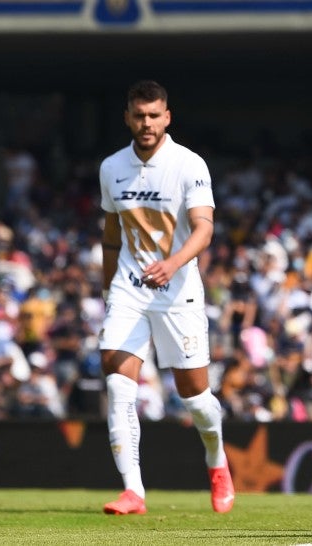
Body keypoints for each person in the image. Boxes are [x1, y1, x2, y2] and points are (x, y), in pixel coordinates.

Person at [98, 80, 234, 515]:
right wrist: (107, 291)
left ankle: (217, 459)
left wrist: (173, 264)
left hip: (178, 292)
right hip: (129, 290)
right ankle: (133, 491)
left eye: (154, 115)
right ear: (127, 117)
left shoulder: (189, 164)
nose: (146, 123)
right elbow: (111, 237)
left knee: (195, 398)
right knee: (118, 384)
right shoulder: (111, 167)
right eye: (139, 115)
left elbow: (204, 228)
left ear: (167, 117)